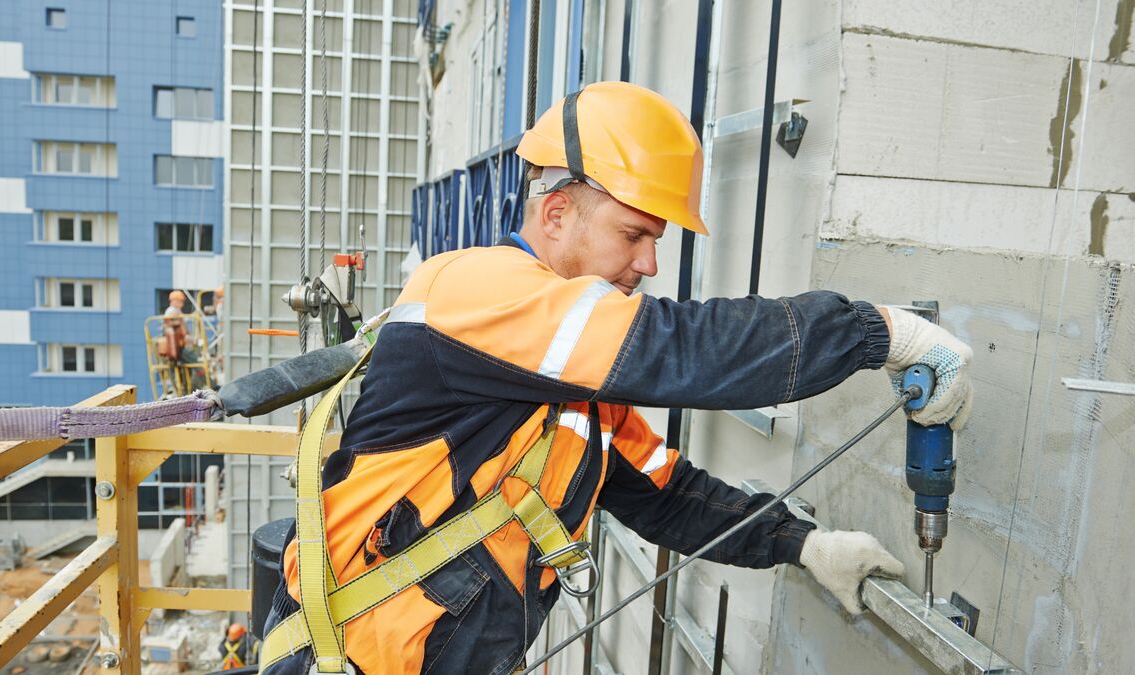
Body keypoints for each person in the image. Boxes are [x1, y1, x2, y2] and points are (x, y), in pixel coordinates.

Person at [257, 82, 974, 674]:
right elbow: (686, 348)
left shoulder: (563, 376)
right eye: (635, 234)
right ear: (559, 211)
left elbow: (666, 496)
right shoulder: (475, 289)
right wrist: (882, 333)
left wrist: (801, 543)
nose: (650, 264)